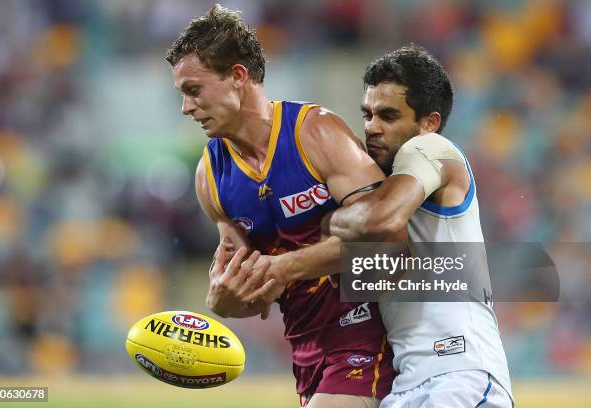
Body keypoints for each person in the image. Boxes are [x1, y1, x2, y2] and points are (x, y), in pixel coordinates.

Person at [247, 45, 514, 407]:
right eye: (368, 114)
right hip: (407, 384)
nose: (372, 127)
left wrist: (329, 220)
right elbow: (364, 276)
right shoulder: (381, 182)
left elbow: (379, 219)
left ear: (429, 122)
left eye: (388, 116)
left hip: (459, 376)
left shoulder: (434, 149)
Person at [165, 5, 398, 407]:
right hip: (306, 353)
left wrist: (284, 266)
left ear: (238, 76)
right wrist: (223, 301)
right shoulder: (211, 177)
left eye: (194, 90)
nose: (186, 108)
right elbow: (254, 290)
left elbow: (391, 241)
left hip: (368, 334)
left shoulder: (316, 134)